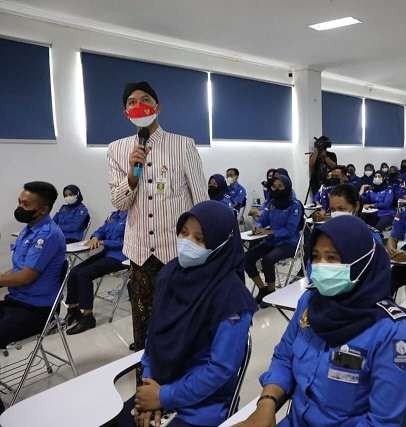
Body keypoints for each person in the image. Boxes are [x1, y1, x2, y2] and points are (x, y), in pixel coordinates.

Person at [236, 216, 406, 427]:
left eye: (332, 258)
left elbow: (383, 422)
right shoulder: (310, 303)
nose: (321, 266)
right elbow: (284, 357)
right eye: (316, 256)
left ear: (363, 261)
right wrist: (266, 406)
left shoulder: (393, 332)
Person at [127, 201, 257, 427]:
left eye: (199, 239)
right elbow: (153, 339)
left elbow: (219, 370)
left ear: (221, 244)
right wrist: (150, 388)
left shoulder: (232, 297)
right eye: (184, 233)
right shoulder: (169, 275)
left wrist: (164, 396)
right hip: (156, 387)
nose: (187, 243)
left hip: (201, 403)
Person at [107, 81, 208, 353]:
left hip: (177, 253)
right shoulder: (116, 150)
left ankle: (182, 378)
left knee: (182, 321)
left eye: (145, 99)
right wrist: (132, 174)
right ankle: (147, 377)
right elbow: (119, 203)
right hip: (139, 252)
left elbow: (201, 201)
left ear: (157, 106)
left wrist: (204, 252)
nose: (138, 104)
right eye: (131, 101)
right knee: (143, 324)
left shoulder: (183, 145)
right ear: (125, 111)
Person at [0, 182, 65, 349]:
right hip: (16, 301)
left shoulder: (48, 235)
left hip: (37, 309)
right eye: (19, 202)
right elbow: (17, 269)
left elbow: (25, 277)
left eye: (26, 204)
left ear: (43, 210)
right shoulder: (28, 229)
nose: (20, 207)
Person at [64, 210, 129, 335]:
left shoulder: (133, 216)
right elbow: (102, 229)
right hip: (107, 253)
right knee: (74, 272)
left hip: (121, 256)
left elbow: (129, 242)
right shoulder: (114, 215)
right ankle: (73, 310)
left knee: (84, 274)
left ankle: (88, 317)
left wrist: (103, 242)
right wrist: (95, 237)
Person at [245, 175, 303, 305]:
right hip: (272, 241)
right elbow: (262, 220)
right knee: (247, 258)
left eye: (280, 186)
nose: (276, 190)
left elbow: (290, 229)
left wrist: (270, 232)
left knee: (268, 259)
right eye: (274, 187)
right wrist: (257, 227)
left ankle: (271, 292)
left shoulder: (295, 205)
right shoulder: (272, 204)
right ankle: (262, 289)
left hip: (289, 243)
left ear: (287, 187)